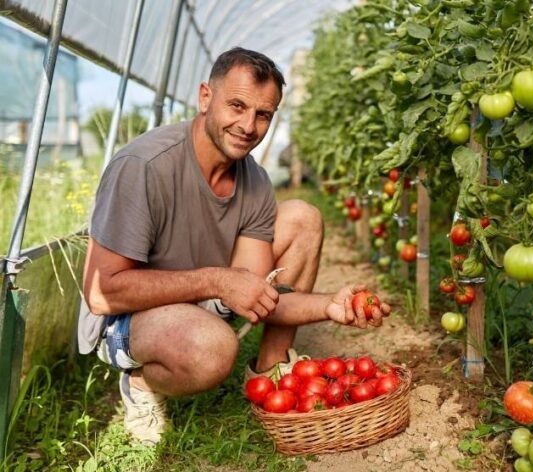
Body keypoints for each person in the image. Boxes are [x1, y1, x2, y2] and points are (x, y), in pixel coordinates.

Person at [77, 47, 390, 446]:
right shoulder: (144, 166)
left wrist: (330, 305)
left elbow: (259, 292)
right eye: (237, 106)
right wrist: (218, 280)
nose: (248, 125)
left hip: (199, 301)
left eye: (263, 115)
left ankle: (271, 375)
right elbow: (103, 294)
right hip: (125, 320)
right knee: (212, 350)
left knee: (302, 217)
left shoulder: (254, 180)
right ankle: (140, 383)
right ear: (205, 97)